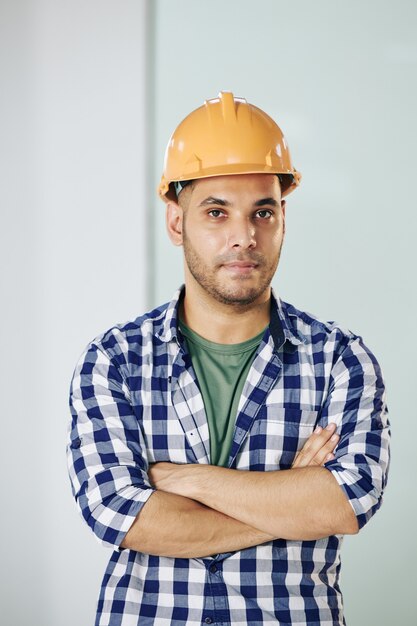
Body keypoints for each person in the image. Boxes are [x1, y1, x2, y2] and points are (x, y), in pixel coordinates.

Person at [67, 92, 390, 626]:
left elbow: (346, 502)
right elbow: (120, 515)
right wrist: (290, 499)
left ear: (282, 217)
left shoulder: (339, 360)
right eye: (217, 212)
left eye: (262, 212)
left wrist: (185, 480)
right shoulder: (114, 361)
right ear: (176, 222)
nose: (244, 236)